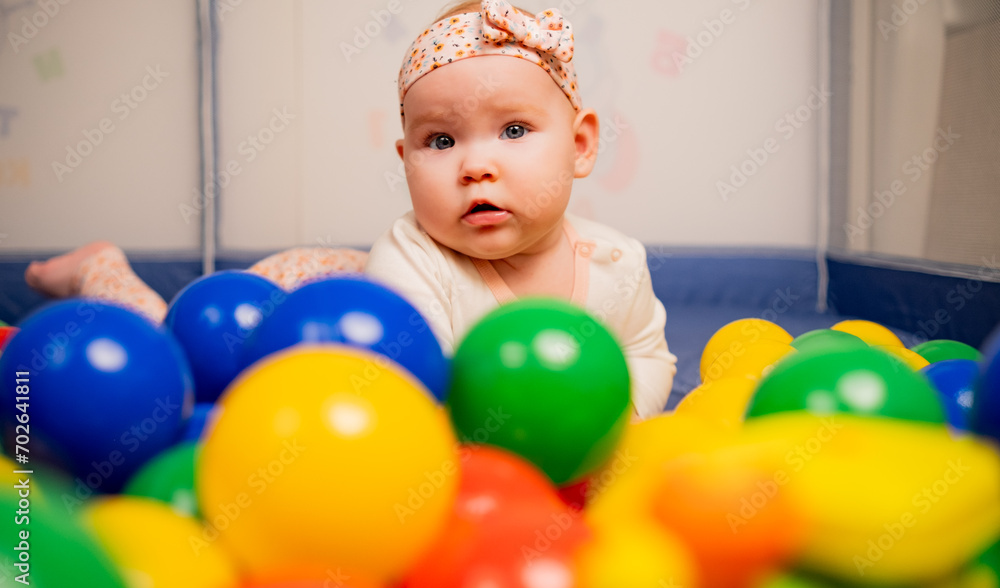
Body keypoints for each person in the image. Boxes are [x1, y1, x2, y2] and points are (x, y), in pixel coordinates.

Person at [24, 0, 676, 419]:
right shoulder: (412, 261)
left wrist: (620, 424)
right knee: (176, 354)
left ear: (582, 145)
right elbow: (430, 398)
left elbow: (646, 356)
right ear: (405, 157)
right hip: (301, 295)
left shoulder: (618, 264)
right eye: (441, 141)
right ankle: (99, 271)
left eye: (512, 130)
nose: (475, 165)